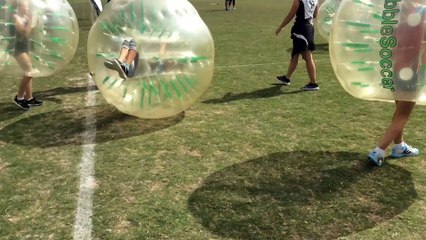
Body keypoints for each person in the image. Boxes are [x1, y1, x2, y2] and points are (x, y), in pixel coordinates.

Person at [367, 1, 423, 166]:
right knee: (403, 115)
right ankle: (379, 151)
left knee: (399, 111)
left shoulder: (399, 15)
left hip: (394, 69)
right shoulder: (421, 13)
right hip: (410, 72)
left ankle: (399, 147)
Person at [275, 0, 319, 91]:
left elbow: (291, 15)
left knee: (307, 56)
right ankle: (287, 78)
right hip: (309, 28)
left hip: (301, 30)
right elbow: (315, 15)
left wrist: (280, 27)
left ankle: (313, 83)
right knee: (295, 54)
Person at [9, 0, 43, 110]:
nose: (27, 9)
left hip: (24, 47)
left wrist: (35, 24)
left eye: (28, 6)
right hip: (17, 48)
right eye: (25, 6)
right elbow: (24, 32)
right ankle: (19, 98)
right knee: (30, 71)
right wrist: (30, 22)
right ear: (19, 7)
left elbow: (30, 32)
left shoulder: (25, 18)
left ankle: (29, 98)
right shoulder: (15, 17)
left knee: (28, 72)